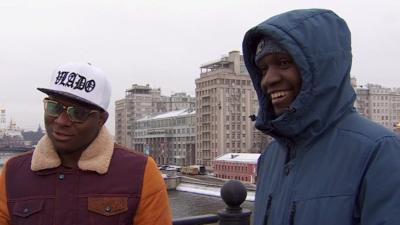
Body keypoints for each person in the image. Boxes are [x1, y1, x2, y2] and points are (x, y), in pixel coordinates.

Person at [242, 9, 400, 225]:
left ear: (321, 69)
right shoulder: (270, 157)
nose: (267, 80)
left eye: (284, 63)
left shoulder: (380, 152)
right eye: (262, 68)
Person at [0, 62, 172, 225]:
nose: (61, 121)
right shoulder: (12, 172)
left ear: (101, 120)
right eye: (54, 107)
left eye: (78, 113)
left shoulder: (141, 172)